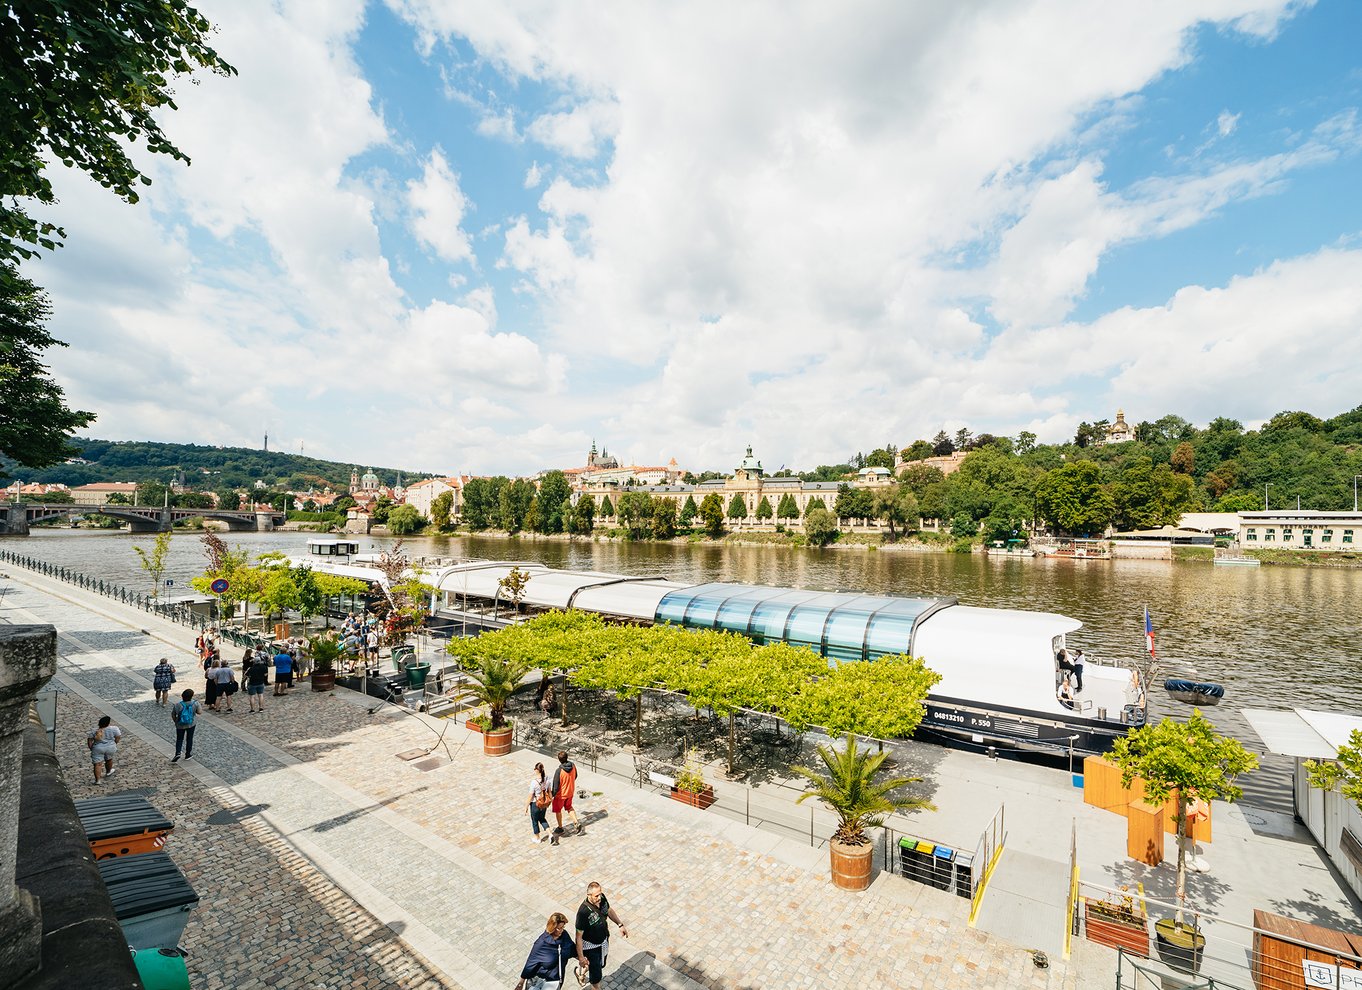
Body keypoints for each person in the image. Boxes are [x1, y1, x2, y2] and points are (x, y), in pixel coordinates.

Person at [574, 882, 628, 990]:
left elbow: (608, 910)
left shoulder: (602, 899)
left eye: (600, 894)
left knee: (599, 965)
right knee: (596, 977)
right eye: (596, 896)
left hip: (603, 941)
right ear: (589, 895)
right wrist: (580, 957)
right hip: (591, 947)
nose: (599, 897)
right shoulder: (583, 913)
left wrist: (620, 924)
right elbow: (578, 937)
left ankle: (581, 973)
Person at [516, 913, 575, 990]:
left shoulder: (564, 935)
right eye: (558, 928)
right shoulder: (541, 943)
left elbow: (572, 950)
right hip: (541, 981)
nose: (561, 930)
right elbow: (530, 963)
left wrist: (582, 959)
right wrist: (520, 984)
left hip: (555, 982)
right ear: (552, 928)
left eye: (562, 927)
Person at [551, 750, 582, 843]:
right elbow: (576, 775)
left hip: (561, 795)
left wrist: (552, 795)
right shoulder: (573, 765)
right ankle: (576, 822)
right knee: (569, 807)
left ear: (559, 760)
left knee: (558, 810)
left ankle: (560, 827)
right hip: (570, 792)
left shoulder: (559, 771)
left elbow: (555, 787)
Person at [87, 715, 122, 784]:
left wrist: (91, 748)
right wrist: (114, 743)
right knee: (109, 759)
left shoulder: (94, 731)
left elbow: (90, 741)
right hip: (110, 747)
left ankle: (98, 780)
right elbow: (118, 737)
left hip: (98, 748)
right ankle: (108, 771)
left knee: (98, 764)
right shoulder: (114, 729)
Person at [171, 689, 202, 762]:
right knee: (189, 738)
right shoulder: (195, 703)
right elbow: (199, 712)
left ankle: (178, 752)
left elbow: (173, 714)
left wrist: (176, 721)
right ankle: (188, 754)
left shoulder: (178, 705)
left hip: (180, 725)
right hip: (191, 724)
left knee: (179, 739)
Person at [527, 762, 552, 843]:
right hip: (544, 803)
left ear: (537, 770)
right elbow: (549, 792)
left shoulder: (534, 782)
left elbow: (530, 796)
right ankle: (550, 834)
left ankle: (537, 838)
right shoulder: (547, 780)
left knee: (534, 820)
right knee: (542, 819)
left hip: (536, 803)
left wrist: (526, 806)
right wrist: (550, 801)